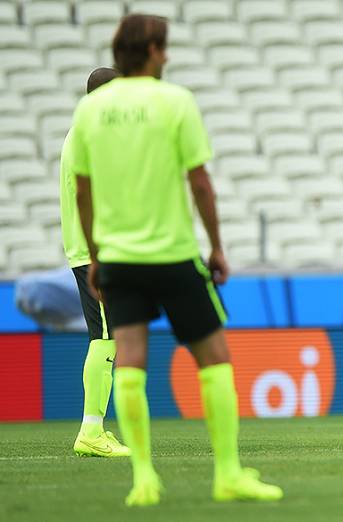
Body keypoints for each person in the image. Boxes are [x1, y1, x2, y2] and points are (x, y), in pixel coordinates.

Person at [71, 14, 282, 505]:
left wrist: (97, 256)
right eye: (162, 48)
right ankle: (227, 474)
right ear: (147, 52)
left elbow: (83, 191)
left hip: (118, 257)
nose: (166, 56)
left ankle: (144, 480)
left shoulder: (90, 113)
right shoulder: (175, 102)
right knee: (214, 358)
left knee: (131, 362)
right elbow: (200, 182)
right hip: (172, 253)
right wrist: (216, 246)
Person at [60, 66, 130, 458]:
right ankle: (91, 430)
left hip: (91, 251)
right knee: (104, 337)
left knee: (107, 336)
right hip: (94, 253)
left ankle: (94, 428)